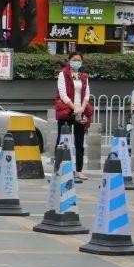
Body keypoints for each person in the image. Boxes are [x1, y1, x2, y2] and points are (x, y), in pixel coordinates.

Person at [55, 51, 91, 181]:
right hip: (67, 111)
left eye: (79, 60)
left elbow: (87, 94)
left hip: (80, 112)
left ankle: (79, 170)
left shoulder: (84, 77)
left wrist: (81, 108)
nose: (77, 62)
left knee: (79, 142)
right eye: (74, 60)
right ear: (69, 60)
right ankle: (58, 169)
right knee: (62, 140)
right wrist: (74, 107)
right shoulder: (62, 75)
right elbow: (63, 95)